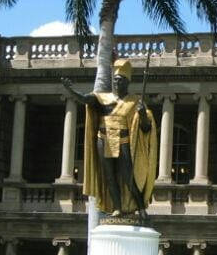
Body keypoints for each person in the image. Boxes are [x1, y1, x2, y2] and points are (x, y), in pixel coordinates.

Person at [62, 58, 156, 221]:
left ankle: (140, 207)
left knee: (128, 177)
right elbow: (85, 99)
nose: (117, 83)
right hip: (103, 139)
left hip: (124, 140)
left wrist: (142, 115)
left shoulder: (134, 102)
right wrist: (71, 91)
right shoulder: (102, 98)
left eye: (120, 80)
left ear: (127, 82)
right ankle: (117, 208)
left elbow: (146, 129)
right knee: (110, 176)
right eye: (115, 80)